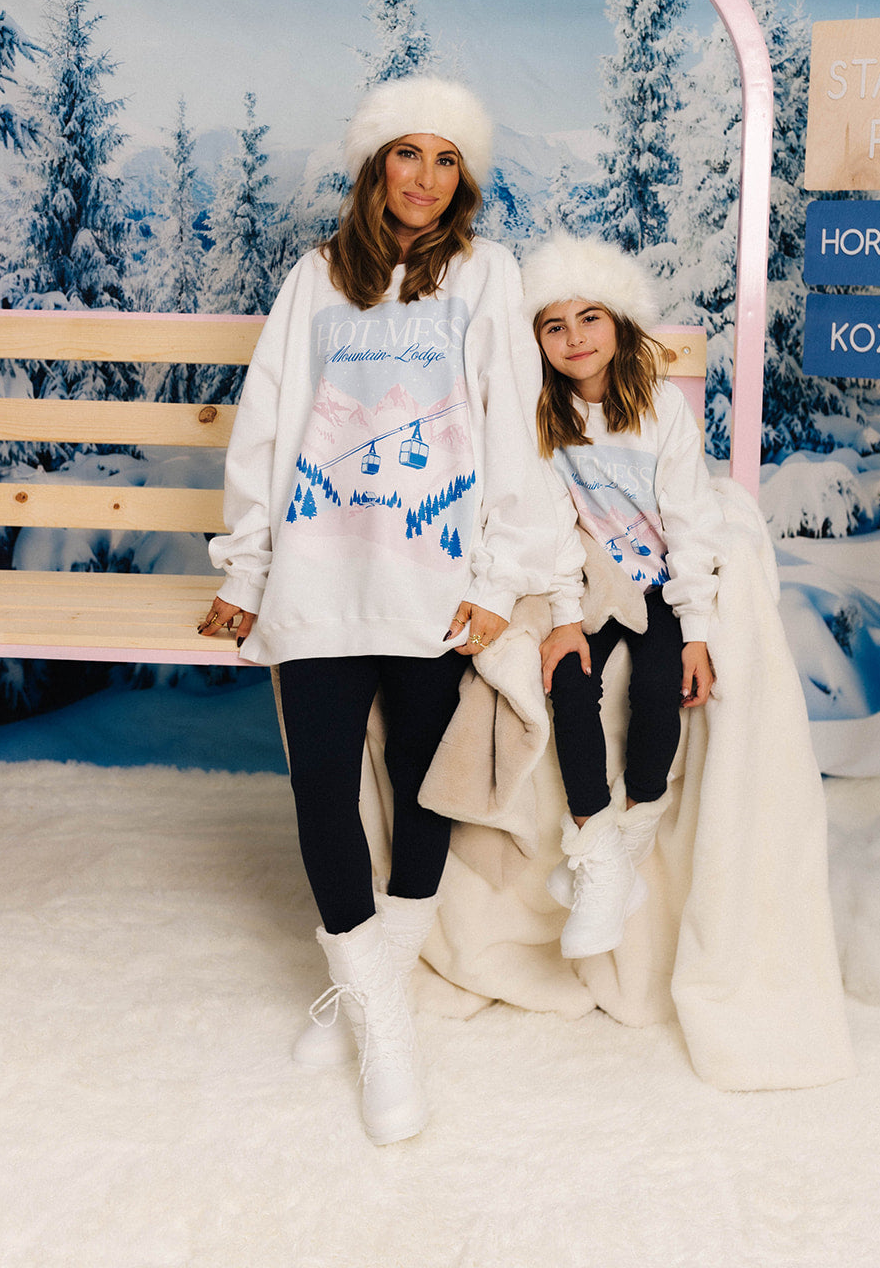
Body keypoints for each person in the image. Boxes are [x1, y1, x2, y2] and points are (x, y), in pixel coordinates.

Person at [199, 77, 564, 1146]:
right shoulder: (314, 279)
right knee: (321, 788)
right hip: (320, 570)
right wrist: (245, 566)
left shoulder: (487, 276)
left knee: (420, 784)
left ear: (465, 178)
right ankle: (374, 1007)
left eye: (445, 158)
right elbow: (267, 426)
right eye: (405, 153)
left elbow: (512, 426)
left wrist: (496, 582)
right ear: (373, 166)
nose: (422, 176)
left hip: (434, 581)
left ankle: (373, 1001)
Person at [520, 232, 725, 962]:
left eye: (589, 318)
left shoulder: (660, 408)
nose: (574, 338)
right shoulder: (542, 419)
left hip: (661, 584)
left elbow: (690, 518)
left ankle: (624, 841)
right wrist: (563, 618)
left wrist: (695, 626)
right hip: (594, 581)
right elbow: (547, 526)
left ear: (618, 323)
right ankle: (596, 846)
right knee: (570, 685)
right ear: (537, 340)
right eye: (553, 325)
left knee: (656, 685)